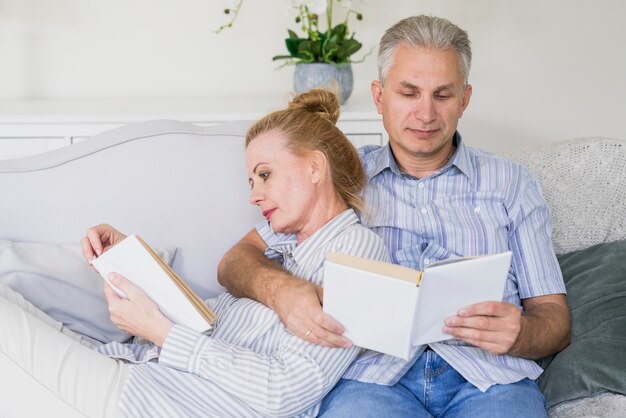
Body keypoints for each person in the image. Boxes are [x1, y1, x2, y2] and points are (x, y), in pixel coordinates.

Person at [217, 15, 571, 417]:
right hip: (372, 379)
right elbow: (235, 261)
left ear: (464, 100)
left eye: (442, 95)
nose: (425, 113)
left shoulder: (512, 183)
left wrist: (523, 333)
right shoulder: (343, 178)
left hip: (489, 379)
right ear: (379, 96)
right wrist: (281, 292)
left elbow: (554, 317)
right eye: (408, 93)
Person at [0, 89, 390, 417]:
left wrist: (161, 333)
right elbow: (210, 323)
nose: (253, 194)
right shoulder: (281, 240)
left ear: (315, 167)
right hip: (137, 370)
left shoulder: (357, 251)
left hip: (152, 401)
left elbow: (284, 391)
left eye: (265, 174)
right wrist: (136, 262)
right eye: (252, 180)